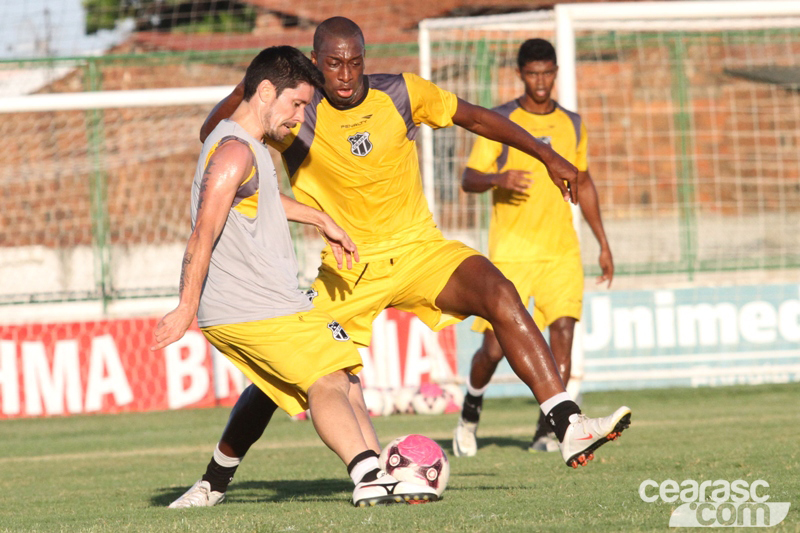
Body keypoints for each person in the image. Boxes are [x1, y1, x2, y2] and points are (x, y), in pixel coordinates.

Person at [169, 17, 632, 508]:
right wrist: (255, 80)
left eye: (354, 63)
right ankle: (213, 483)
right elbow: (213, 132)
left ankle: (567, 423)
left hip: (419, 252)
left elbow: (474, 118)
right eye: (332, 64)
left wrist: (544, 153)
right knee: (284, 375)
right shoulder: (297, 110)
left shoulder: (402, 93)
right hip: (350, 270)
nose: (345, 75)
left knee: (499, 291)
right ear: (314, 61)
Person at [152, 45, 438, 508]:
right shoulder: (232, 154)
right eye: (297, 104)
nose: (300, 116)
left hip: (278, 300)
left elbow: (259, 201)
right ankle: (367, 477)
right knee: (325, 379)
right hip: (247, 306)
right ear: (265, 92)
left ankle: (383, 472)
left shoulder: (250, 148)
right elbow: (202, 232)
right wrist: (186, 306)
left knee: (345, 375)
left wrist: (320, 219)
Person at [452, 38, 615, 458]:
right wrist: (498, 180)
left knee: (562, 333)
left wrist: (603, 242)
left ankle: (550, 430)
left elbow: (585, 180)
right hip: (511, 252)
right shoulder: (502, 121)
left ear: (555, 73)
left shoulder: (573, 124)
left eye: (547, 73)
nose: (540, 81)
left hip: (561, 250)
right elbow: (469, 178)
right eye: (532, 73)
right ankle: (470, 411)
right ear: (521, 74)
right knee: (492, 349)